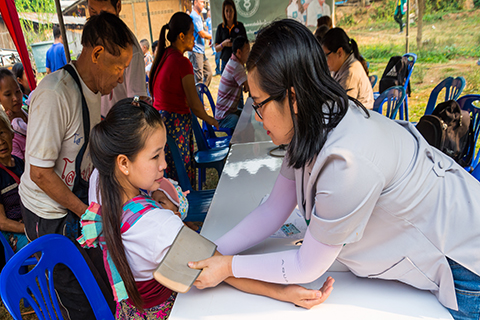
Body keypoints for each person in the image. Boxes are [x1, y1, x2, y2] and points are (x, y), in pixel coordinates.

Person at [187, 19, 480, 320]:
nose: (258, 118)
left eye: (259, 104)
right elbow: (274, 209)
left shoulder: (346, 160)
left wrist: (227, 266)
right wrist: (212, 250)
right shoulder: (310, 123)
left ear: (293, 96)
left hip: (464, 265)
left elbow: (307, 266)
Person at [81, 98, 336, 317]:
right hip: (168, 312)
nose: (164, 165)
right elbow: (214, 266)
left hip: (128, 312)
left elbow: (164, 192)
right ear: (124, 163)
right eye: (156, 156)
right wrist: (282, 292)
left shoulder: (101, 179)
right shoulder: (157, 226)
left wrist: (157, 191)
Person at [19, 12, 134, 319]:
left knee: (104, 283)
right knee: (78, 299)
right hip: (48, 214)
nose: (122, 77)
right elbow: (40, 173)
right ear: (96, 54)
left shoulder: (93, 91)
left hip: (73, 202)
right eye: (119, 67)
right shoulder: (55, 94)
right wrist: (85, 210)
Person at [149, 12, 218, 187]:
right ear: (181, 36)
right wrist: (211, 120)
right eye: (192, 32)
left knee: (170, 173)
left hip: (161, 125)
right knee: (182, 174)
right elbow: (195, 104)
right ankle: (184, 205)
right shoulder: (181, 62)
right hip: (176, 124)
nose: (195, 37)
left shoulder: (164, 57)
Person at [87, 0, 148, 117]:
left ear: (118, 6)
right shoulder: (91, 40)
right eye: (92, 11)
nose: (98, 20)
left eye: (104, 13)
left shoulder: (131, 50)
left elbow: (136, 98)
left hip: (116, 124)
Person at [321, 28, 374, 109]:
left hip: (359, 118)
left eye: (326, 55)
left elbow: (344, 109)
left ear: (340, 52)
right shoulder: (338, 68)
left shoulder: (351, 73)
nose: (324, 61)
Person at [0, 109, 27, 253]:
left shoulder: (19, 163)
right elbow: (2, 222)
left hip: (29, 222)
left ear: (12, 134)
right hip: (14, 231)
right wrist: (28, 229)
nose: (0, 142)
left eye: (1, 133)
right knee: (42, 246)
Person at [215, 36, 249, 130]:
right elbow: (248, 88)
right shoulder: (236, 66)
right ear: (239, 52)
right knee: (244, 122)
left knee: (246, 116)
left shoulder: (232, 61)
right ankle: (239, 143)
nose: (249, 54)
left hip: (226, 112)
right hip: (224, 117)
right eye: (247, 51)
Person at [0, 68, 28, 159]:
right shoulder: (7, 132)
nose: (15, 98)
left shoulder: (28, 111)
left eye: (17, 91)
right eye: (8, 94)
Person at [215, 0, 247, 75]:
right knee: (226, 84)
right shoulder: (220, 27)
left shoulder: (240, 26)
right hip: (225, 62)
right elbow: (216, 48)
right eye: (226, 11)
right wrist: (224, 44)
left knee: (240, 84)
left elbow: (246, 44)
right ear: (223, 12)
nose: (229, 14)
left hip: (238, 61)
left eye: (231, 11)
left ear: (234, 11)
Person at [189, 0, 212, 86]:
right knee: (199, 79)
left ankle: (201, 93)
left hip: (201, 51)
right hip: (196, 51)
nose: (203, 4)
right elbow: (202, 34)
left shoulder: (198, 16)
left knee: (209, 73)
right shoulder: (194, 16)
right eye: (201, 2)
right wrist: (213, 36)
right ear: (195, 3)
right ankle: (198, 97)